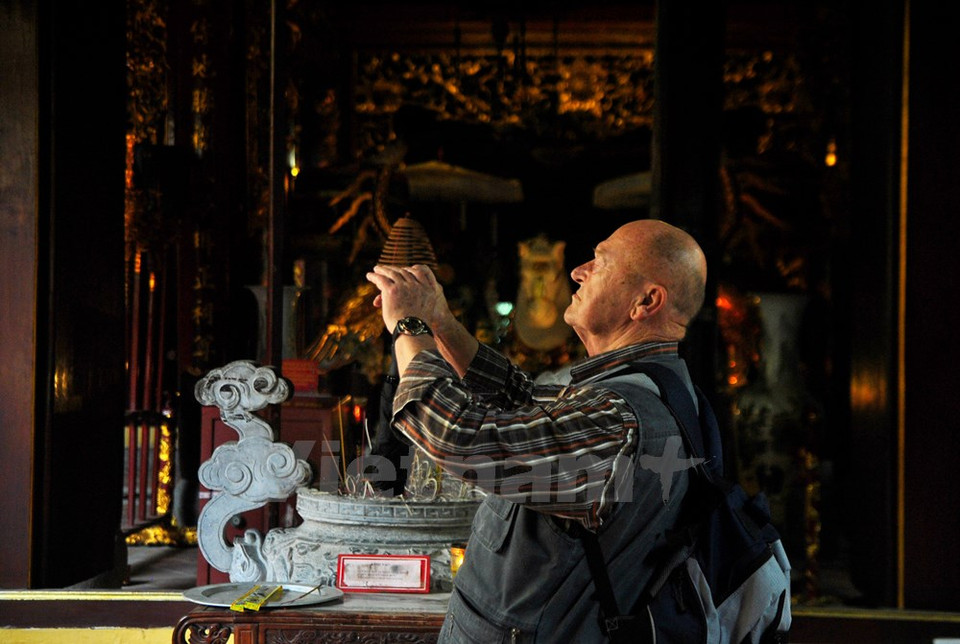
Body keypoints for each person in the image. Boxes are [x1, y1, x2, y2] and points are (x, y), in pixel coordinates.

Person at [365, 218, 709, 643]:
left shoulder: (620, 418)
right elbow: (522, 398)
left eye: (601, 262)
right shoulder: (649, 386)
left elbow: (455, 435)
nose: (578, 272)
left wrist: (409, 326)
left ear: (646, 301)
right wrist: (441, 322)